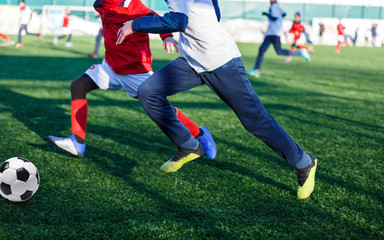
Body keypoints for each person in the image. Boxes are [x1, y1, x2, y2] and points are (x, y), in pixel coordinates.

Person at [116, 0, 317, 199]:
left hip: (222, 62)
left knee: (255, 121)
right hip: (192, 62)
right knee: (148, 92)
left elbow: (178, 20)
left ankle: (304, 162)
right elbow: (212, 12)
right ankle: (188, 145)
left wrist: (135, 25)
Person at [48, 0, 217, 161]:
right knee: (78, 86)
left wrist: (167, 36)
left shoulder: (132, 5)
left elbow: (155, 17)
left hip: (135, 71)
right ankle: (77, 143)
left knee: (160, 108)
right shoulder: (101, 4)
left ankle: (199, 133)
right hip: (110, 66)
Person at [247, 0, 310, 78]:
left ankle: (300, 52)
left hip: (275, 33)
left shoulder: (274, 6)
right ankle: (256, 70)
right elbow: (284, 14)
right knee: (262, 49)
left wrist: (267, 14)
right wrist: (278, 18)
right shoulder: (278, 7)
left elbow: (275, 18)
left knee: (279, 51)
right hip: (272, 33)